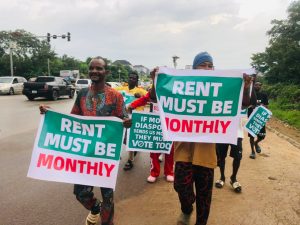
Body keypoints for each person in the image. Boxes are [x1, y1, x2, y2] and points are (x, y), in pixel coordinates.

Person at [150, 52, 252, 225]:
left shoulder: (219, 89)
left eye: (209, 65)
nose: (206, 68)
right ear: (194, 68)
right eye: (202, 65)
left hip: (206, 152)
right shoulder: (183, 86)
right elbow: (155, 98)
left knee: (205, 196)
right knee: (181, 186)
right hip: (183, 148)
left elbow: (244, 104)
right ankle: (187, 208)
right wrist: (155, 81)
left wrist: (245, 85)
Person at [40, 57, 132, 225]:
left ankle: (107, 222)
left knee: (108, 196)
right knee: (81, 193)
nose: (95, 71)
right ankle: (95, 207)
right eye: (92, 68)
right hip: (85, 154)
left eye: (99, 68)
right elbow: (72, 121)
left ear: (106, 72)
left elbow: (124, 118)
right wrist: (51, 114)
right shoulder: (82, 94)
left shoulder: (116, 96)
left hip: (106, 155)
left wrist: (127, 121)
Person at [215, 86, 256, 193]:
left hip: (236, 133)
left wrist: (247, 88)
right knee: (221, 157)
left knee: (237, 157)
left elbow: (246, 104)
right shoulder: (217, 99)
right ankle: (222, 177)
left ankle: (233, 178)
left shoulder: (238, 99)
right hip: (221, 133)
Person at [128, 88, 175, 183]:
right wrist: (132, 105)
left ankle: (169, 172)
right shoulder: (154, 91)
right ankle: (154, 173)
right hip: (154, 126)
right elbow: (144, 99)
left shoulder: (174, 91)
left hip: (169, 126)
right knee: (154, 151)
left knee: (170, 151)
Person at [115, 71, 147, 171]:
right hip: (122, 116)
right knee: (118, 137)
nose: (131, 79)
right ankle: (115, 154)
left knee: (130, 139)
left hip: (134, 117)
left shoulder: (141, 91)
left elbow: (151, 97)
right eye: (130, 77)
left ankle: (130, 160)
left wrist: (141, 97)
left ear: (137, 80)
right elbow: (110, 91)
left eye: (134, 78)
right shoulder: (121, 89)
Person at [248, 81, 269, 159]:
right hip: (252, 117)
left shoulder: (264, 95)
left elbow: (266, 106)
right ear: (253, 86)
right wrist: (252, 106)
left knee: (262, 136)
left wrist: (263, 108)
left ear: (261, 86)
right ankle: (253, 152)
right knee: (252, 136)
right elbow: (246, 104)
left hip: (260, 118)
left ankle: (256, 143)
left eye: (259, 85)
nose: (257, 86)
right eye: (256, 85)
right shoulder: (250, 95)